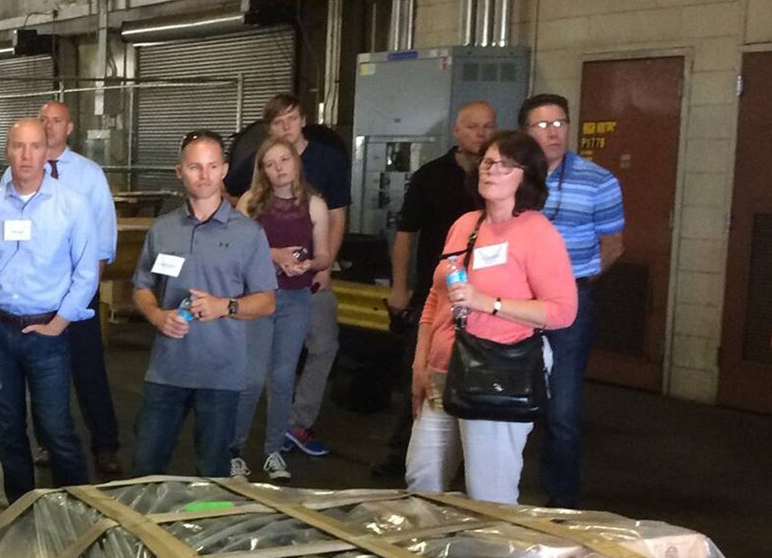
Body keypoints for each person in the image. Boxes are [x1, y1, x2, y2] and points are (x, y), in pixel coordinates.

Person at [407, 131, 578, 505]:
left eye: (504, 165)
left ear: (525, 176)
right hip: (441, 370)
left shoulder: (537, 233)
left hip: (496, 372)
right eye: (487, 162)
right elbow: (436, 296)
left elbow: (562, 311)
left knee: (488, 492)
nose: (492, 170)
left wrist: (490, 303)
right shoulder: (464, 224)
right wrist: (419, 364)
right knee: (421, 480)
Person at [0, 117, 100, 500]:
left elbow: (86, 273)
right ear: (7, 151)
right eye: (18, 146)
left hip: (47, 339)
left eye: (35, 146)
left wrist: (59, 323)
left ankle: (78, 513)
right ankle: (21, 512)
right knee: (7, 429)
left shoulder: (71, 206)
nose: (27, 155)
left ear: (46, 152)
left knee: (55, 429)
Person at [131, 131, 277, 476]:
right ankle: (144, 528)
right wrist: (156, 315)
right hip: (167, 370)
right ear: (180, 171)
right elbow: (141, 286)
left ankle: (212, 529)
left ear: (224, 170)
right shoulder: (164, 229)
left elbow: (267, 302)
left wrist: (224, 307)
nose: (204, 175)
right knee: (146, 465)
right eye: (195, 167)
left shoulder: (248, 233)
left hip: (221, 375)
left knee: (213, 473)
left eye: (212, 166)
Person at [374, 102, 491, 478]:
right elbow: (406, 235)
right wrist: (399, 287)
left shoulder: (501, 182)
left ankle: (467, 462)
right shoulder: (430, 177)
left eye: (488, 127)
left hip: (486, 301)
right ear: (456, 131)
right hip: (434, 294)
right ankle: (400, 452)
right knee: (420, 373)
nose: (481, 134)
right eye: (472, 127)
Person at [232, 95, 351, 460]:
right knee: (253, 376)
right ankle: (234, 448)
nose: (279, 167)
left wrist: (318, 266)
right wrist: (273, 256)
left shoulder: (320, 182)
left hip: (301, 291)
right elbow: (238, 243)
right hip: (261, 294)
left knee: (299, 364)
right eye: (272, 162)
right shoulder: (251, 197)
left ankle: (283, 438)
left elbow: (334, 222)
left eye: (293, 118)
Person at [521, 92, 624, 507]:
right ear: (526, 132)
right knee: (500, 396)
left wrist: (573, 282)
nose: (554, 132)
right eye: (543, 125)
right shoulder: (513, 176)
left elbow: (613, 245)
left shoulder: (600, 180)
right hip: (512, 302)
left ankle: (560, 500)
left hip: (569, 304)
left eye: (560, 123)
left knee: (563, 409)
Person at [35, 98, 123, 477]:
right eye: (43, 120)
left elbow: (104, 232)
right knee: (40, 371)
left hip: (77, 288)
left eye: (56, 121)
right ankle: (48, 442)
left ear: (69, 128)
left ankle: (105, 445)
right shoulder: (20, 172)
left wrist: (89, 284)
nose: (50, 126)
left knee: (88, 370)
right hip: (37, 291)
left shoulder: (88, 175)